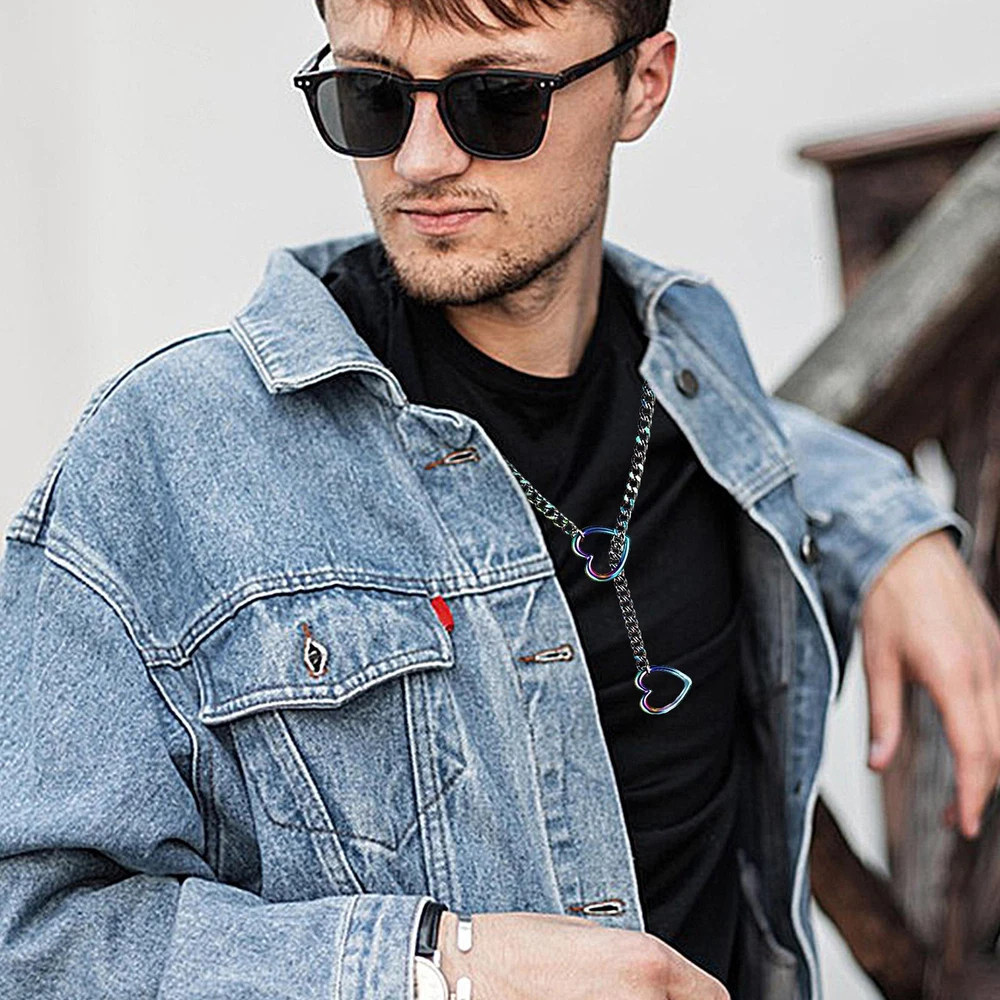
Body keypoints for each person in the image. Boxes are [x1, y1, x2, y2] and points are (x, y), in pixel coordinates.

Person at [2, 0, 999, 997]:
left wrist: (895, 529)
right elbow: (31, 936)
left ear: (642, 85)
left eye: (497, 98)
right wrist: (443, 969)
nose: (420, 159)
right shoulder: (163, 457)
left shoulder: (696, 377)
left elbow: (770, 436)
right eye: (370, 95)